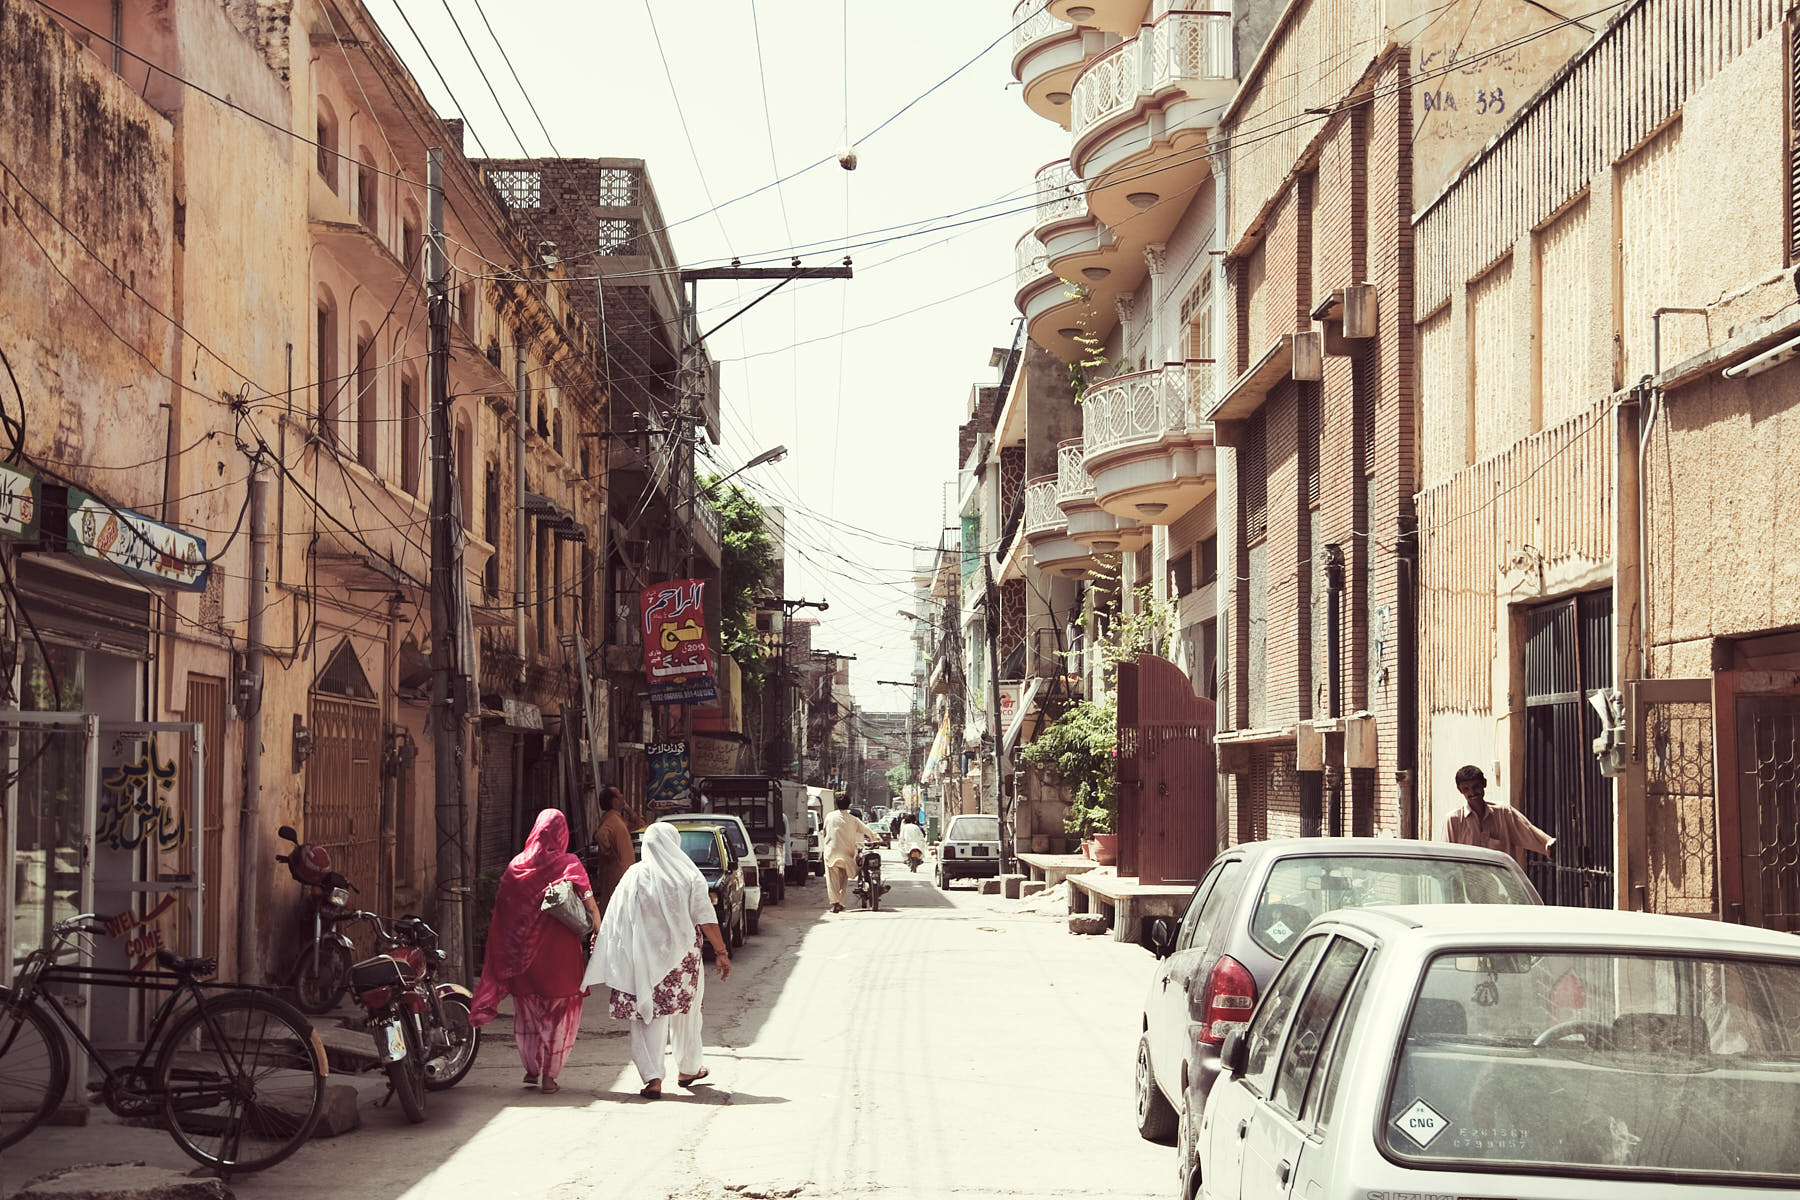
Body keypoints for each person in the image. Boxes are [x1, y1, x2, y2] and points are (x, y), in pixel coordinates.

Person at [583, 822, 732, 1099]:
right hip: (682, 961)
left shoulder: (634, 875)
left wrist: (603, 944)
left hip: (641, 961)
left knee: (646, 1017)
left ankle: (653, 1078)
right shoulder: (689, 875)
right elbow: (706, 919)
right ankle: (688, 1068)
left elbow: (615, 916)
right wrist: (721, 952)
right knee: (687, 1014)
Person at [470, 809, 600, 1095]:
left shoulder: (516, 866)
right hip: (561, 955)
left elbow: (503, 913)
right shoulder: (570, 863)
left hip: (523, 958)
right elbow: (589, 901)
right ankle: (549, 1076)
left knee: (528, 1013)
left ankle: (532, 1066)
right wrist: (598, 930)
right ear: (562, 833)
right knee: (560, 1014)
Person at [1441, 764, 1554, 869]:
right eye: (1466, 789)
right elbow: (1446, 859)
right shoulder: (1453, 820)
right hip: (1467, 886)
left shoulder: (1504, 813)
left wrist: (1550, 844)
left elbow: (1530, 833)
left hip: (1500, 886)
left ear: (1484, 783)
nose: (1472, 793)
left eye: (1476, 787)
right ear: (1460, 790)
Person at [821, 795, 880, 913]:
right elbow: (866, 830)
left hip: (831, 852)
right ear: (848, 805)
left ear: (836, 804)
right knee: (843, 879)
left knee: (832, 880)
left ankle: (835, 903)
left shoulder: (829, 817)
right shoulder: (853, 819)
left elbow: (825, 832)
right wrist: (876, 837)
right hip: (846, 853)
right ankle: (841, 902)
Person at [591, 785, 635, 919]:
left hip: (623, 875)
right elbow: (600, 836)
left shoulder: (618, 820)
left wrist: (627, 809)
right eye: (620, 795)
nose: (623, 797)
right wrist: (610, 855)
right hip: (616, 876)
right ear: (614, 801)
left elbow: (639, 823)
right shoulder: (611, 820)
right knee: (613, 911)